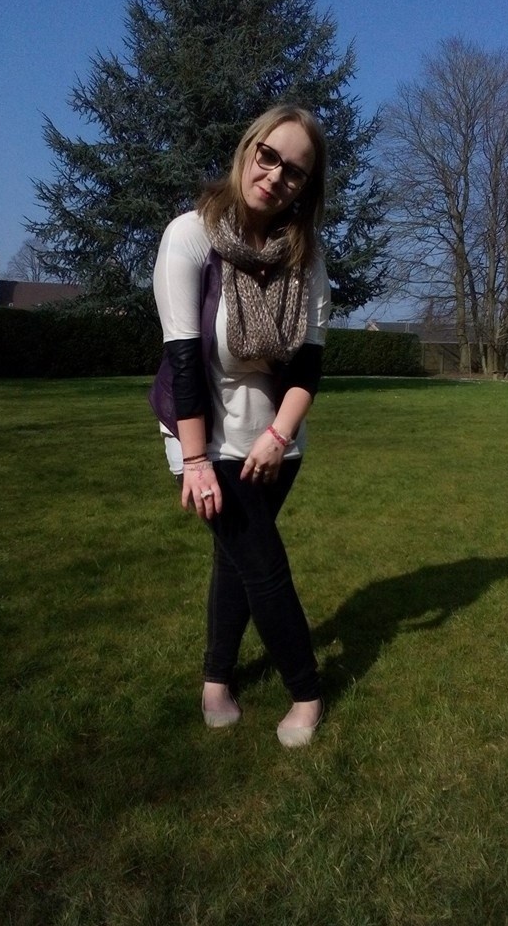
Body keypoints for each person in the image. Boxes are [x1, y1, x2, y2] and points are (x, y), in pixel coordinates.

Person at [152, 105, 331, 747]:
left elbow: (308, 367)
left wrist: (279, 437)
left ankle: (216, 680)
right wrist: (197, 461)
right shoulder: (191, 236)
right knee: (263, 564)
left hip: (276, 435)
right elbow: (183, 359)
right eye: (268, 156)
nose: (276, 175)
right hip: (203, 429)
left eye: (295, 171)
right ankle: (307, 692)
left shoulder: (306, 255)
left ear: (306, 187)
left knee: (235, 561)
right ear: (248, 150)